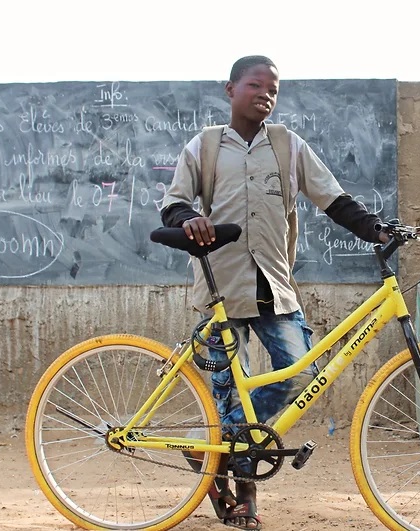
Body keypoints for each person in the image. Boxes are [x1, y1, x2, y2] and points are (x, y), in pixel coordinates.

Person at [160, 55, 388, 529]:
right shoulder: (203, 147)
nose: (265, 94)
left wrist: (377, 230)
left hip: (273, 288)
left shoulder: (288, 146)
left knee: (301, 372)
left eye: (273, 89)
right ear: (230, 90)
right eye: (255, 85)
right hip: (219, 289)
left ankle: (219, 449)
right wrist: (189, 219)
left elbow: (334, 199)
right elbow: (174, 204)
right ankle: (242, 496)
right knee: (227, 396)